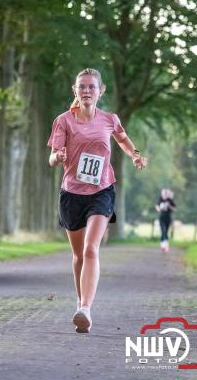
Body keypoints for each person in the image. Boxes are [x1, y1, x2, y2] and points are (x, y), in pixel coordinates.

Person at [47, 68, 147, 333]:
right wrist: (57, 157)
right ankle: (81, 303)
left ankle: (86, 309)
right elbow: (53, 156)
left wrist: (135, 154)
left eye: (92, 87)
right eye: (82, 87)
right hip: (71, 194)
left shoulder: (109, 119)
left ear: (101, 91)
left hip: (102, 191)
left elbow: (123, 139)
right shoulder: (63, 121)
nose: (87, 91)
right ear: (75, 91)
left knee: (92, 249)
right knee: (79, 254)